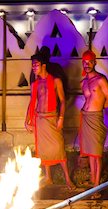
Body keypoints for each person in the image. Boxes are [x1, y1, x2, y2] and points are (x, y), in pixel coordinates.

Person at [25, 50, 76, 190]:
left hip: (52, 117)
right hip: (40, 119)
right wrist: (27, 120)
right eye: (32, 65)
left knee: (59, 148)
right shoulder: (35, 84)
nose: (33, 68)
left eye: (36, 65)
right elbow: (32, 102)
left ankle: (67, 179)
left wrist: (61, 118)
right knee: (43, 150)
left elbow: (63, 101)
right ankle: (48, 178)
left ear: (44, 65)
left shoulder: (55, 80)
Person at [79, 50, 108, 199]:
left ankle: (97, 187)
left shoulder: (101, 80)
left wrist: (97, 109)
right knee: (90, 153)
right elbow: (87, 100)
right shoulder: (83, 82)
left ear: (94, 62)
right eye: (84, 62)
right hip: (85, 117)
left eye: (89, 62)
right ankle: (94, 181)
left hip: (96, 118)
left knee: (97, 153)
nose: (87, 65)